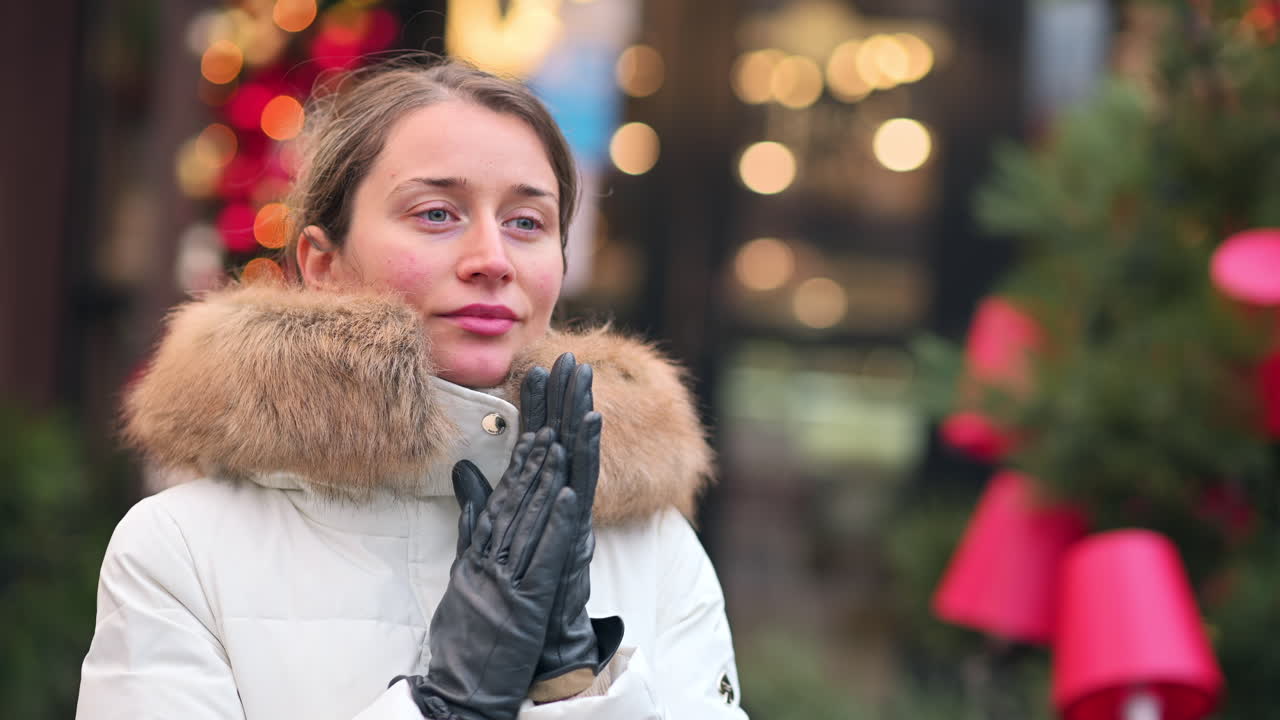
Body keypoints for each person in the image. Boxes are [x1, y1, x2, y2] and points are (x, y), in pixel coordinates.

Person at [75, 57, 748, 720]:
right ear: (323, 264)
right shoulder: (181, 548)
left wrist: (573, 686)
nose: (492, 260)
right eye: (435, 214)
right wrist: (446, 706)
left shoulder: (652, 545)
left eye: (526, 223)